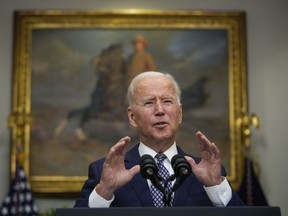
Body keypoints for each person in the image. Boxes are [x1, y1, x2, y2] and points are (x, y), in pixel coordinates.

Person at [74, 71, 244, 207]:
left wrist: (216, 186)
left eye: (167, 101)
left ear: (180, 113)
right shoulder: (105, 172)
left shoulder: (207, 173)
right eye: (149, 103)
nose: (160, 110)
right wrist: (105, 190)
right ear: (132, 117)